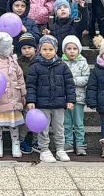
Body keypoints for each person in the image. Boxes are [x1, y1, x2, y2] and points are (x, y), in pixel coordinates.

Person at [25, 34, 76, 163]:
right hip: (42, 105)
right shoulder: (35, 67)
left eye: (50, 49)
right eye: (44, 49)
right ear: (39, 50)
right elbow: (31, 85)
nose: (47, 52)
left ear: (56, 50)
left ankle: (60, 149)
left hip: (59, 104)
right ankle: (44, 150)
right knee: (44, 129)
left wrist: (70, 100)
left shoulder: (62, 66)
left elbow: (69, 84)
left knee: (59, 128)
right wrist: (31, 100)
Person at [0, 32, 25, 158]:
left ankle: (15, 143)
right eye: (9, 46)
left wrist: (23, 93)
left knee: (14, 124)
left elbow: (20, 77)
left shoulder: (13, 62)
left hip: (14, 98)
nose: (12, 48)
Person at [60, 35, 89, 156]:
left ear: (79, 50)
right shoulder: (61, 63)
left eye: (74, 48)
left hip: (78, 98)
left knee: (78, 122)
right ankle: (68, 142)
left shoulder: (83, 62)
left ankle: (80, 143)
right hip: (65, 98)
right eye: (69, 48)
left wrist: (72, 81)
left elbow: (86, 78)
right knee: (66, 122)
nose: (72, 51)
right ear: (64, 50)